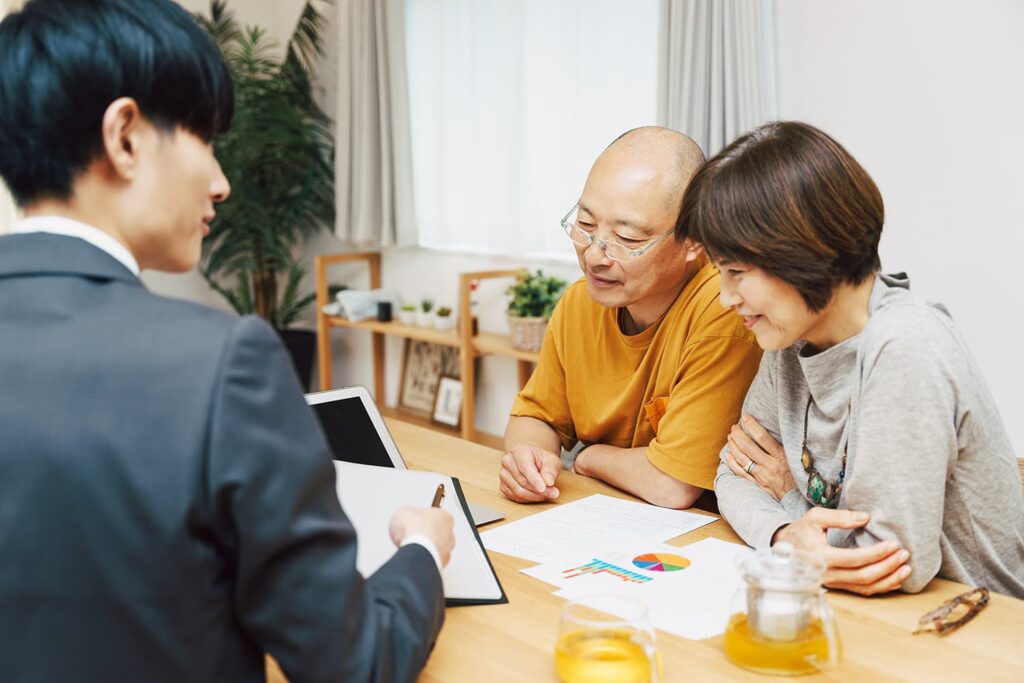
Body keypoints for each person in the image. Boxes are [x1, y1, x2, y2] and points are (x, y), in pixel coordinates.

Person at [0, 1, 454, 680]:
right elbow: (355, 662)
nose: (222, 183)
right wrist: (422, 549)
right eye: (204, 138)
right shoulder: (220, 362)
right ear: (125, 136)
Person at [677, 120, 1024, 597]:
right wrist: (782, 536)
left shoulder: (905, 343)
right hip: (874, 619)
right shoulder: (789, 341)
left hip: (978, 631)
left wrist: (785, 493)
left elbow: (886, 561)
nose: (725, 298)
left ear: (806, 249)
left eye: (736, 272)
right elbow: (733, 475)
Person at [499, 127, 763, 509]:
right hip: (599, 510)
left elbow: (672, 485)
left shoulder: (724, 311)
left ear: (695, 241)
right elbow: (537, 416)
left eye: (628, 238)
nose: (594, 256)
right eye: (586, 226)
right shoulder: (581, 301)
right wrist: (529, 459)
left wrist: (588, 457)